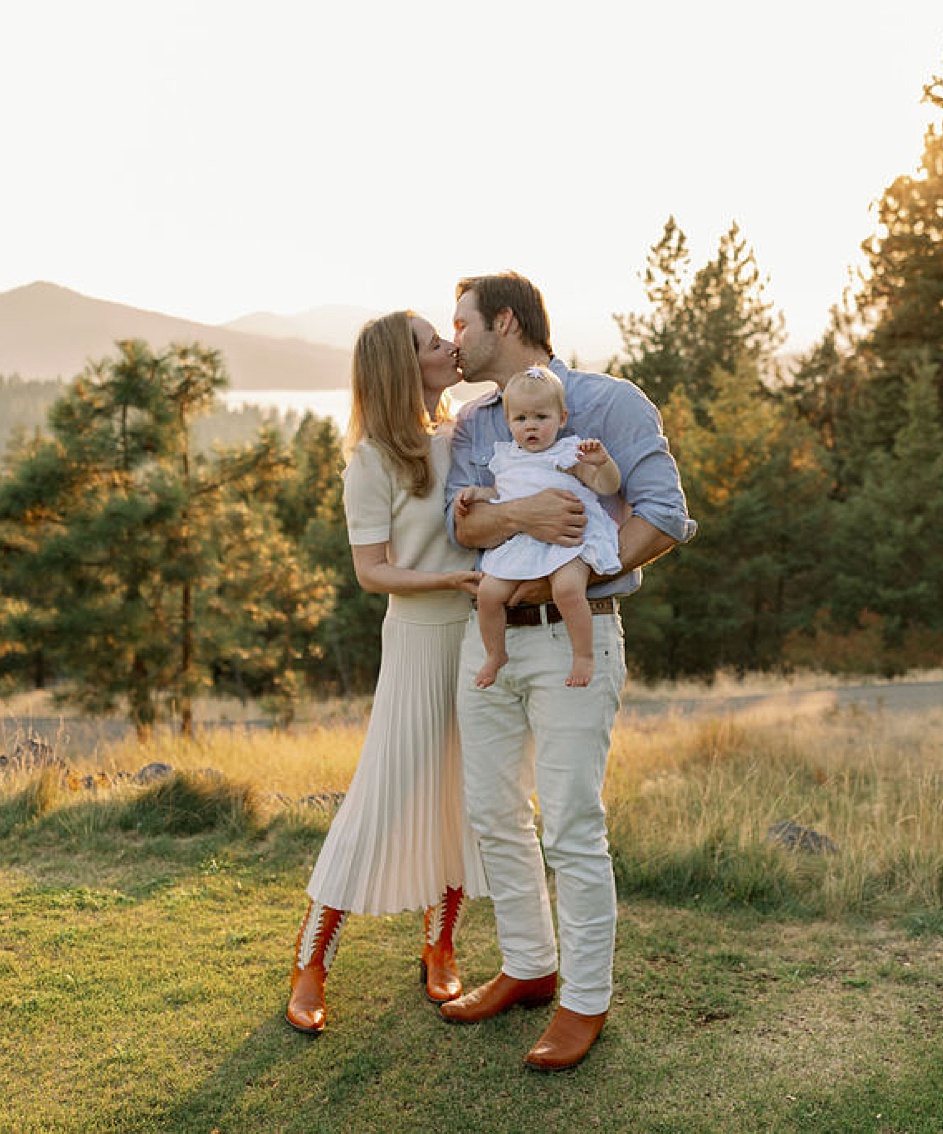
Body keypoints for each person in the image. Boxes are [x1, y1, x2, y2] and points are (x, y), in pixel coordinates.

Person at [439, 272, 695, 1071]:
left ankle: (583, 1001)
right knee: (492, 811)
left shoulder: (611, 402)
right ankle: (527, 964)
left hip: (570, 639)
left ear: (505, 322)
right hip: (488, 643)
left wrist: (570, 572)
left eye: (462, 324)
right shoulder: (477, 421)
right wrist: (520, 517)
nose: (453, 342)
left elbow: (663, 513)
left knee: (573, 825)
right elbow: (466, 525)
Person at [284, 310, 488, 1036]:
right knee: (382, 797)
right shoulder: (371, 460)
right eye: (434, 344)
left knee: (469, 796)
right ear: (404, 367)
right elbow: (372, 573)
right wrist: (450, 584)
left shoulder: (469, 427)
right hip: (418, 639)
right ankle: (311, 965)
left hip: (480, 638)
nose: (449, 348)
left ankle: (440, 946)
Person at [457, 366, 620, 689]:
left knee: (567, 590)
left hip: (567, 540)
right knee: (489, 594)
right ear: (509, 422)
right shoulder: (505, 458)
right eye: (521, 419)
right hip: (523, 541)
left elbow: (606, 487)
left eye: (541, 417)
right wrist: (477, 494)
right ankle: (496, 653)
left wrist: (603, 463)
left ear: (561, 418)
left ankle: (584, 655)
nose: (531, 426)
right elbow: (503, 493)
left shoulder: (568, 453)